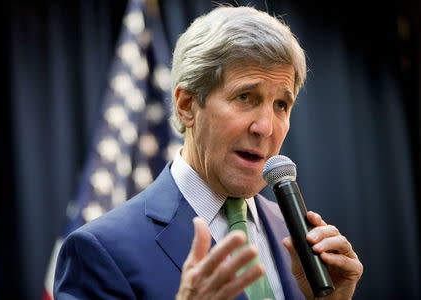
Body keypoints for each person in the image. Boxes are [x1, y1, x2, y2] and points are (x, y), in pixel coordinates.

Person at [54, 6, 363, 300]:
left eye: (281, 104)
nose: (266, 127)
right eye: (245, 97)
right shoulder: (99, 250)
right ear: (187, 105)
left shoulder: (298, 235)